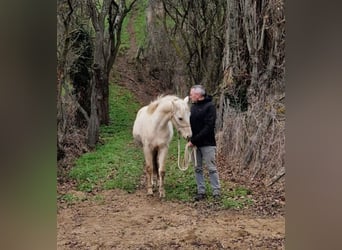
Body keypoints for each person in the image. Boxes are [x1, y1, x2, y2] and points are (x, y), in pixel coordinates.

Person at [187, 85, 221, 201]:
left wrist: (194, 140)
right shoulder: (193, 107)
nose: (190, 96)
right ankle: (201, 191)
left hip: (207, 143)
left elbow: (209, 127)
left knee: (211, 168)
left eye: (191, 94)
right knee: (197, 168)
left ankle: (216, 191)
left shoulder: (210, 107)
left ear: (198, 95)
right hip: (195, 144)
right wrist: (188, 137)